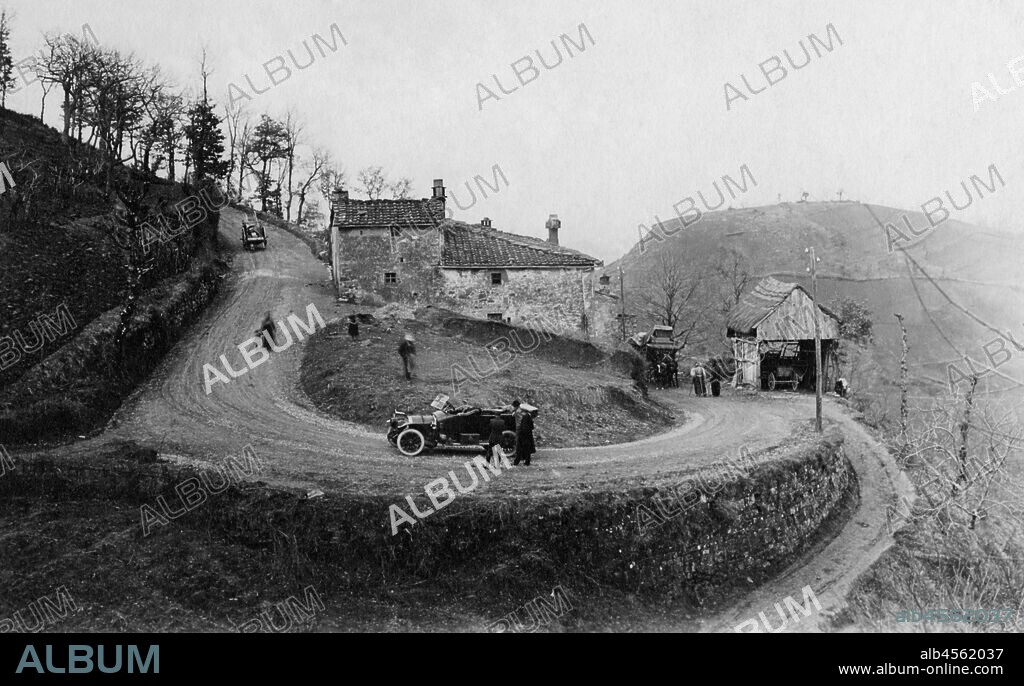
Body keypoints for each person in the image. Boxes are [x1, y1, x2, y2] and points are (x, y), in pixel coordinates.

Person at [512, 400, 536, 466]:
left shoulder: (519, 412)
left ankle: (517, 462)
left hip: (521, 432)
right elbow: (532, 426)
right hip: (527, 434)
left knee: (519, 448)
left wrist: (521, 432)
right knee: (526, 448)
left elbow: (520, 423)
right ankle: (526, 461)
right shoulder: (527, 415)